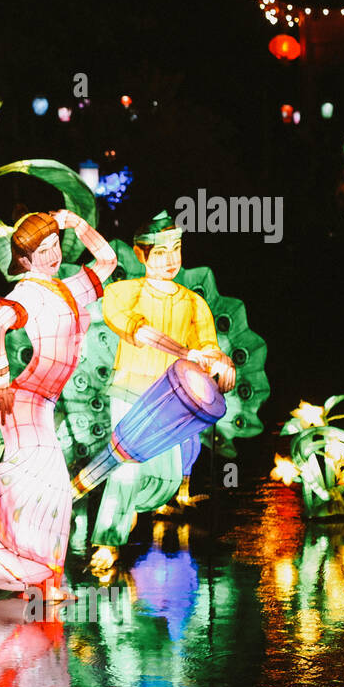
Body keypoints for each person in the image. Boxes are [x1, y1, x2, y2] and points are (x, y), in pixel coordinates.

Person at [0, 209, 116, 601]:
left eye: (55, 245)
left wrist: (77, 225)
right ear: (24, 260)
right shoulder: (26, 291)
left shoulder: (68, 287)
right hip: (24, 400)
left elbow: (108, 261)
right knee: (50, 487)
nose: (52, 255)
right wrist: (2, 382)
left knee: (50, 495)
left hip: (43, 401)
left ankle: (44, 584)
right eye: (41, 251)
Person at [88, 211, 235, 574]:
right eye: (159, 252)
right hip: (130, 392)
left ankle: (129, 509)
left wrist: (223, 362)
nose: (170, 260)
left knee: (166, 480)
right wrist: (184, 353)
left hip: (174, 401)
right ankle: (108, 541)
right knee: (128, 468)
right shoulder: (124, 293)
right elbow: (137, 331)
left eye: (176, 249)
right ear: (141, 255)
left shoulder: (194, 303)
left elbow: (208, 345)